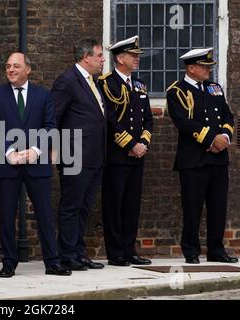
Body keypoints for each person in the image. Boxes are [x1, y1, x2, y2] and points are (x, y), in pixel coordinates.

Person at [0, 52, 70, 278]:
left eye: (15, 66)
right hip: (7, 164)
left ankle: (52, 262)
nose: (10, 70)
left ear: (28, 69)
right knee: (6, 215)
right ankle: (8, 263)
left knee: (44, 214)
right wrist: (9, 152)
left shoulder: (43, 95)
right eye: (7, 66)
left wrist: (35, 150)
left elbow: (50, 126)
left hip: (37, 163)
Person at [167, 48, 238, 264]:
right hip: (193, 159)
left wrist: (224, 136)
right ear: (191, 68)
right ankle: (190, 250)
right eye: (204, 66)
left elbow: (227, 115)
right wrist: (210, 140)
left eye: (209, 66)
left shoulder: (214, 88)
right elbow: (184, 123)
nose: (208, 70)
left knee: (218, 207)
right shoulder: (177, 91)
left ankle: (216, 250)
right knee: (192, 207)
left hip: (218, 158)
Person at [97, 35, 153, 266]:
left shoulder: (139, 85)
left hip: (137, 155)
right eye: (133, 55)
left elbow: (147, 120)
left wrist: (143, 144)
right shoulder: (106, 83)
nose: (137, 59)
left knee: (132, 204)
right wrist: (131, 144)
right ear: (120, 58)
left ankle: (130, 250)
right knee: (114, 203)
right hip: (117, 155)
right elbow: (109, 119)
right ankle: (116, 252)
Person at [51, 38, 106, 271]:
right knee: (71, 206)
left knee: (84, 207)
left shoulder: (93, 82)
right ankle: (67, 254)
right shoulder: (67, 81)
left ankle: (78, 252)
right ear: (86, 57)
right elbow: (53, 117)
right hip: (74, 156)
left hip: (94, 157)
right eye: (99, 55)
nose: (103, 60)